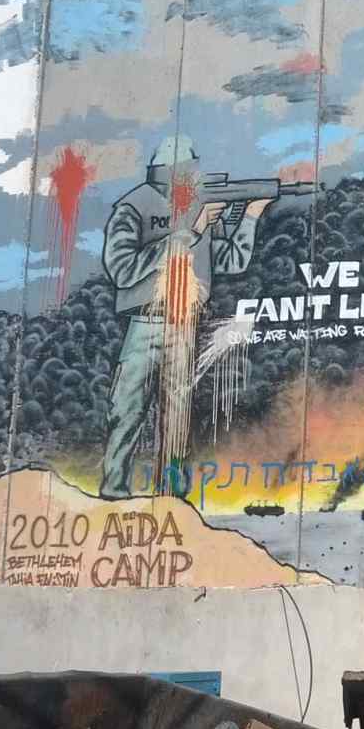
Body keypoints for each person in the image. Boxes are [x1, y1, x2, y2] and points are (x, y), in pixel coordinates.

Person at [100, 136, 269, 499]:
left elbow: (231, 260)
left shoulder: (198, 207)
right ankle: (114, 490)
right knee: (126, 411)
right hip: (144, 325)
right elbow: (122, 269)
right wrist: (189, 232)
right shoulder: (134, 207)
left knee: (178, 418)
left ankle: (171, 496)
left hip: (184, 326)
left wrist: (250, 215)